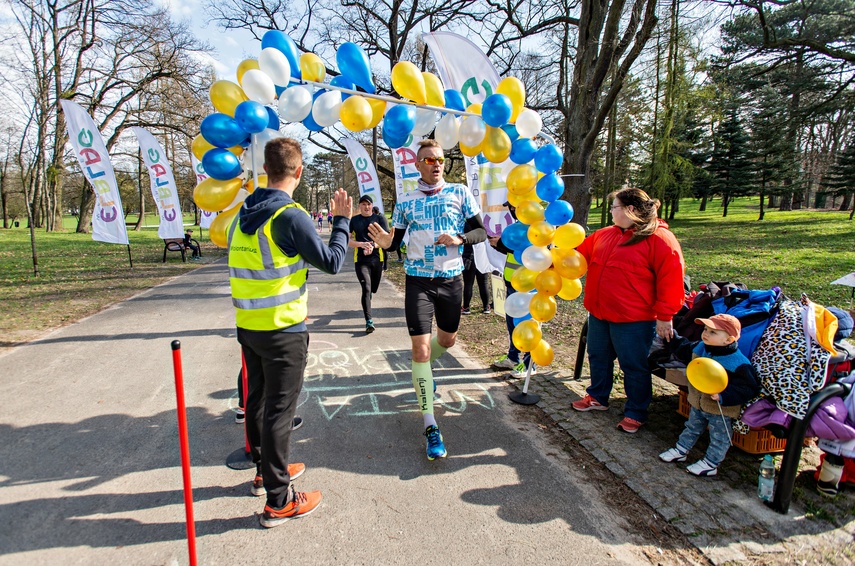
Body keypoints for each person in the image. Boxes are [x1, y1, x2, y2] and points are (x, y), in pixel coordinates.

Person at [228, 137, 351, 528]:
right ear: (298, 171)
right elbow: (332, 262)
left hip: (249, 326)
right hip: (283, 331)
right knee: (279, 412)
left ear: (266, 169)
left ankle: (266, 473)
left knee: (258, 402)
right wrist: (342, 223)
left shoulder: (242, 211)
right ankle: (279, 501)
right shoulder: (291, 216)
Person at [368, 139, 486, 460]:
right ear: (417, 165)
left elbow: (481, 233)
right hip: (418, 282)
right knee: (420, 350)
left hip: (451, 280)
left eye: (439, 160)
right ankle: (431, 425)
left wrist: (460, 237)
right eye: (429, 160)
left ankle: (422, 371)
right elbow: (395, 245)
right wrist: (384, 241)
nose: (435, 164)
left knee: (447, 341)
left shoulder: (459, 192)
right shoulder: (405, 201)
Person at [571, 187, 685, 434]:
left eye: (614, 207)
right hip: (600, 313)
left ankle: (636, 411)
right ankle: (598, 397)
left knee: (633, 365)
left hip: (635, 319)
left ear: (630, 210)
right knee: (598, 356)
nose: (611, 212)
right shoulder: (604, 235)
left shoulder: (660, 239)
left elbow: (671, 280)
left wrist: (666, 317)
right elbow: (578, 256)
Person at [659, 314, 760, 476]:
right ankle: (681, 449)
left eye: (713, 332)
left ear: (729, 340)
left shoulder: (738, 363)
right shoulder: (701, 347)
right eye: (705, 329)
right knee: (691, 426)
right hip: (697, 402)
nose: (705, 333)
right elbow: (683, 348)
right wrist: (670, 337)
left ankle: (711, 463)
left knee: (719, 437)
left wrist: (724, 395)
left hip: (720, 409)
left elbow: (749, 387)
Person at [488, 202, 533, 378]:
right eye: (511, 208)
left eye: (516, 207)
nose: (513, 211)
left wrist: (499, 244)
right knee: (512, 324)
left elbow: (524, 250)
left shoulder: (536, 227)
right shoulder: (516, 226)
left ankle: (530, 363)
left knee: (527, 324)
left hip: (528, 285)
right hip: (512, 282)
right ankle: (513, 357)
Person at [349, 195, 389, 333]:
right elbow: (347, 241)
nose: (366, 207)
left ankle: (370, 293)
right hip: (360, 260)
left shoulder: (380, 219)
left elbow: (387, 240)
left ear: (372, 206)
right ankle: (369, 321)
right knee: (366, 288)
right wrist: (361, 245)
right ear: (359, 206)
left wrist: (373, 246)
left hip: (377, 259)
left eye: (368, 204)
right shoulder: (354, 220)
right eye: (363, 204)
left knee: (373, 288)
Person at [461, 242, 491, 315]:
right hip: (482, 258)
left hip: (468, 257)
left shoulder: (466, 231)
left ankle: (466, 307)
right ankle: (486, 307)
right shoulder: (483, 231)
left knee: (468, 284)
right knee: (484, 283)